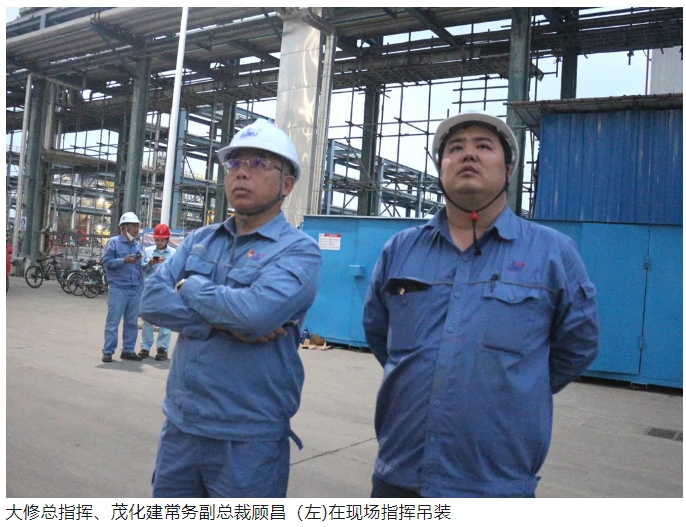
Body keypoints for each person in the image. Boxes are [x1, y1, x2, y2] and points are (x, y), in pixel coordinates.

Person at [362, 110, 600, 498]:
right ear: (440, 168)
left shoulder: (552, 252)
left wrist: (519, 385)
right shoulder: (400, 250)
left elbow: (578, 345)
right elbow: (379, 334)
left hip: (496, 481)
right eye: (455, 148)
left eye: (484, 146)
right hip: (400, 475)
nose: (468, 154)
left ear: (508, 169)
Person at [140, 119, 321, 498]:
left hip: (248, 438)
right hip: (182, 427)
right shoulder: (201, 239)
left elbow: (254, 315)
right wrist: (219, 322)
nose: (242, 172)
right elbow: (151, 299)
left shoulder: (299, 251)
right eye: (234, 163)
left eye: (259, 163)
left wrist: (189, 286)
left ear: (287, 184)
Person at [101, 212, 144, 363]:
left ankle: (128, 350)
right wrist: (123, 261)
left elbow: (139, 268)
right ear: (123, 228)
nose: (136, 229)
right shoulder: (113, 243)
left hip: (134, 288)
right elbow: (106, 262)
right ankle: (108, 351)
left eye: (137, 226)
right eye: (133, 226)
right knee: (113, 321)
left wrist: (149, 265)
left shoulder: (137, 245)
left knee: (132, 322)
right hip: (118, 288)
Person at [138, 223, 177, 361]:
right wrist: (150, 263)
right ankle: (145, 347)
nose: (159, 242)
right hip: (150, 290)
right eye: (157, 239)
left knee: (165, 320)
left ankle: (162, 348)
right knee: (147, 320)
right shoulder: (148, 251)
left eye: (162, 240)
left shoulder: (174, 253)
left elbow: (177, 271)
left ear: (167, 239)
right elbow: (142, 270)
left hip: (166, 291)